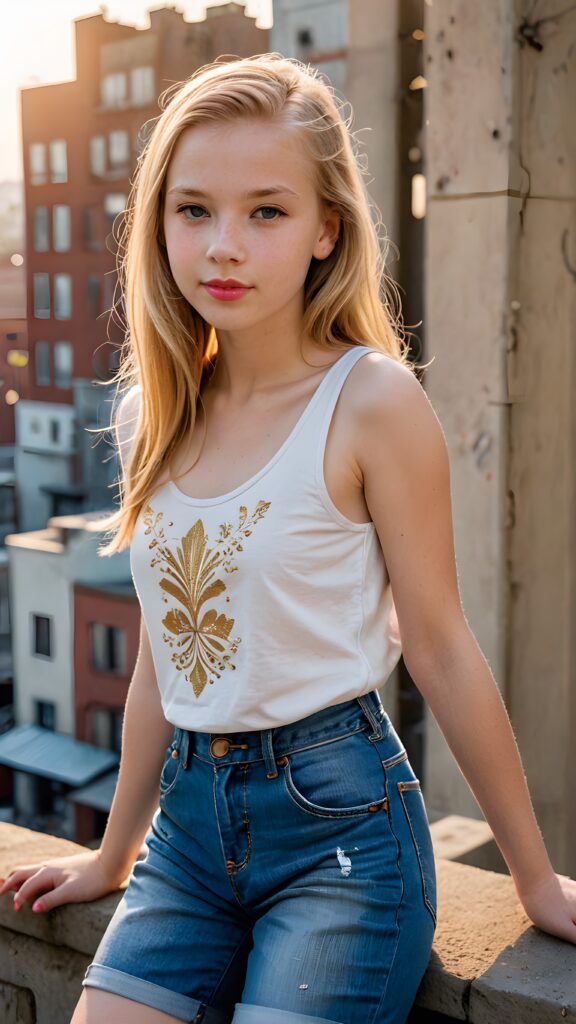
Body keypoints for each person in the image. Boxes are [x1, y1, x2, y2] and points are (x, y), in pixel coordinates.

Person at [1, 52, 575, 1024]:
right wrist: (112, 850)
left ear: (325, 230)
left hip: (341, 837)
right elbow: (161, 656)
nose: (224, 246)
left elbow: (440, 646)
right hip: (184, 836)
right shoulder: (158, 407)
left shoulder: (373, 403)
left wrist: (537, 879)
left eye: (266, 211)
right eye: (194, 210)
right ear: (159, 226)